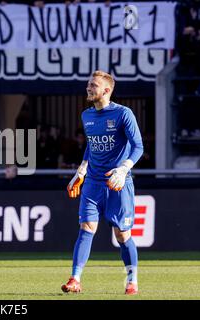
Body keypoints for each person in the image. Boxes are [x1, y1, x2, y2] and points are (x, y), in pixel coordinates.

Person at [62, 70, 144, 295]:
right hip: (93, 183)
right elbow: (91, 145)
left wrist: (124, 168)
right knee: (86, 228)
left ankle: (132, 279)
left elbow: (138, 146)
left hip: (118, 182)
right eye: (89, 84)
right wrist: (81, 169)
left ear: (106, 90)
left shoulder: (123, 114)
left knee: (122, 235)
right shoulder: (86, 116)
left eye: (93, 85)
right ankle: (75, 278)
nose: (88, 88)